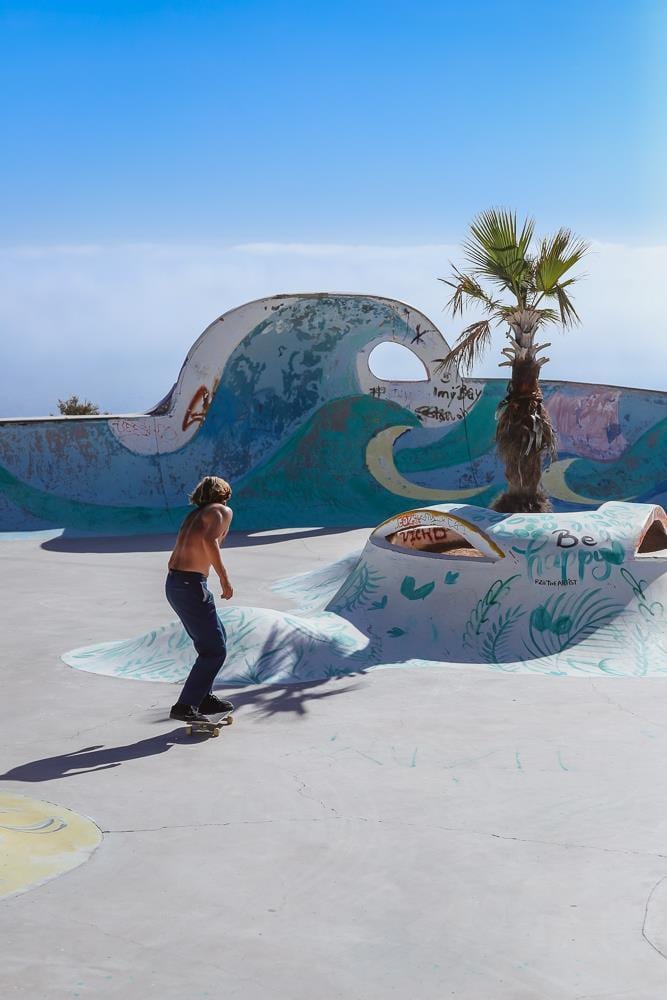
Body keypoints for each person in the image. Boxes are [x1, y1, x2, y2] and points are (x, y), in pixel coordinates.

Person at [165, 475, 235, 722]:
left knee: (217, 640)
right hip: (190, 584)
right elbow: (209, 541)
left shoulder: (194, 515)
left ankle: (203, 697)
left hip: (175, 583)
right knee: (214, 649)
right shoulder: (221, 511)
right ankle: (185, 705)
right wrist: (224, 578)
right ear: (224, 493)